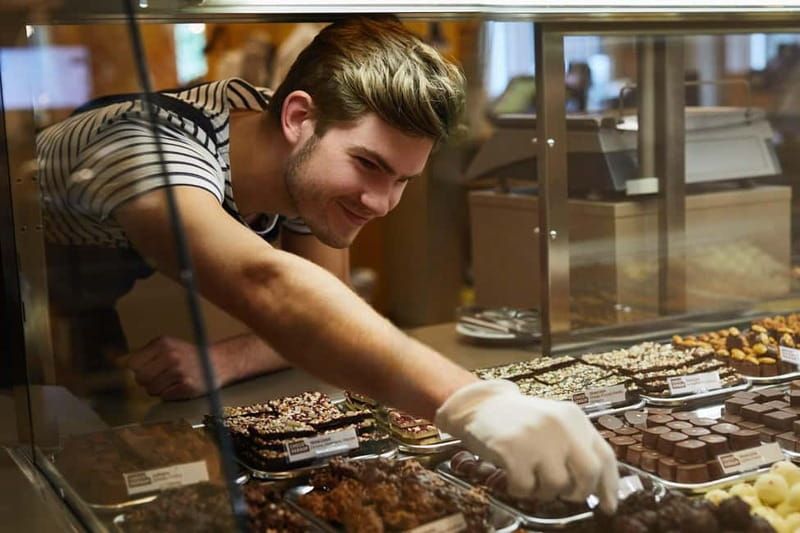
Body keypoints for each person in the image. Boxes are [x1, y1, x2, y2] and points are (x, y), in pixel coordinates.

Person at [37, 17, 619, 510]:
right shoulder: (146, 147)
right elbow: (268, 283)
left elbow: (324, 302)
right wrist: (471, 401)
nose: (381, 203)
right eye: (368, 164)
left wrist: (223, 361)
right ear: (297, 117)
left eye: (402, 180)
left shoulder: (290, 158)